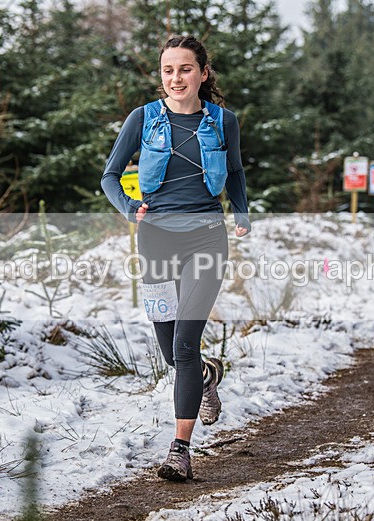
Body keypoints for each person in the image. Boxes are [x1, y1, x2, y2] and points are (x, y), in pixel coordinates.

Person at [101, 34, 250, 482]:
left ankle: (179, 450)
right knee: (172, 352)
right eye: (168, 70)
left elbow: (237, 171)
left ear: (203, 73)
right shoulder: (142, 119)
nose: (176, 77)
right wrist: (130, 209)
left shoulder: (223, 121)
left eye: (185, 68)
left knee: (185, 343)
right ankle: (206, 375)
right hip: (156, 243)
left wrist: (241, 211)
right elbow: (110, 176)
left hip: (207, 239)